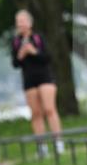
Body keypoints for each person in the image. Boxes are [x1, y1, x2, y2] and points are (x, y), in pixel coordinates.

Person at [12, 9, 63, 157]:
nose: (20, 24)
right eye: (18, 22)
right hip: (29, 79)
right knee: (36, 113)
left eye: (23, 21)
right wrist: (21, 54)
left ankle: (58, 142)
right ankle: (42, 146)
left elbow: (48, 57)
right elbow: (15, 63)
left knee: (49, 109)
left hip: (45, 77)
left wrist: (34, 51)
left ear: (29, 23)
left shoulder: (38, 38)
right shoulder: (16, 42)